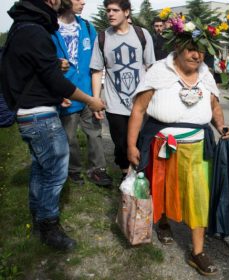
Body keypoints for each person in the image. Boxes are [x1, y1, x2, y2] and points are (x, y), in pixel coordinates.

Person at [126, 16, 229, 276]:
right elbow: (138, 109)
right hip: (164, 145)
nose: (196, 56)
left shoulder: (206, 74)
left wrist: (221, 127)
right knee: (162, 188)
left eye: (201, 51)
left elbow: (215, 106)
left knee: (198, 198)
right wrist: (131, 145)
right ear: (178, 48)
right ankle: (163, 223)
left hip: (197, 147)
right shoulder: (159, 71)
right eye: (191, 50)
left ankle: (198, 252)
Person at [0, 0, 105, 250]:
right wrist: (91, 100)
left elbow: (33, 70)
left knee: (40, 168)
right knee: (55, 173)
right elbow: (55, 80)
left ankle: (37, 218)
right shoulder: (35, 31)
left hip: (30, 112)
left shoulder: (22, 27)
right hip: (40, 117)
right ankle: (49, 226)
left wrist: (54, 85)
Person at [90, 0, 155, 181]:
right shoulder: (102, 38)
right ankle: (126, 178)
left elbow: (151, 68)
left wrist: (154, 97)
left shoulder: (142, 34)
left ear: (126, 12)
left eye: (115, 10)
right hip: (114, 103)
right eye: (108, 10)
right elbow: (96, 70)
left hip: (140, 102)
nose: (110, 14)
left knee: (141, 141)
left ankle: (142, 177)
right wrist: (96, 101)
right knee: (120, 145)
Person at [52, 0, 113, 187]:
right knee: (68, 136)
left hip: (88, 91)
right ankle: (73, 170)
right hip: (66, 93)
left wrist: (96, 96)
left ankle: (97, 169)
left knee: (95, 133)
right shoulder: (50, 28)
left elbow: (96, 60)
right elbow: (44, 61)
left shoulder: (86, 26)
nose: (83, 2)